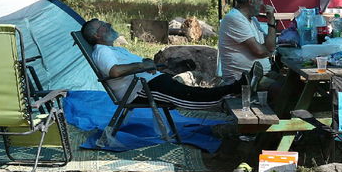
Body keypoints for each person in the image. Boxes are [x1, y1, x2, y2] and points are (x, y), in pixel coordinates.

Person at [81, 19, 241, 110]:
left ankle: (236, 88)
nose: (108, 24)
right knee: (189, 97)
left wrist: (147, 63)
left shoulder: (113, 49)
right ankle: (235, 90)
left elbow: (135, 64)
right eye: (103, 26)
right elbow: (114, 72)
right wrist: (140, 66)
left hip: (151, 82)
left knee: (190, 91)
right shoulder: (102, 51)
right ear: (96, 35)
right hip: (140, 91)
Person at [217, 0, 280, 82]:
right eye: (260, 0)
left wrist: (271, 21)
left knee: (293, 83)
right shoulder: (234, 18)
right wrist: (270, 51)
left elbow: (270, 46)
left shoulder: (253, 20)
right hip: (242, 80)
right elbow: (259, 51)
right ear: (250, 1)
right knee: (283, 90)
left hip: (260, 76)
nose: (262, 3)